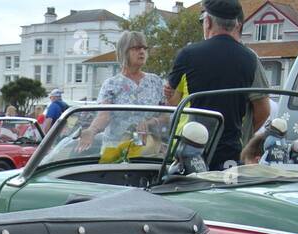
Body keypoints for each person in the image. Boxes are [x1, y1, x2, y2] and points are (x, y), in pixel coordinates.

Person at [165, 0, 270, 169]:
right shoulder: (250, 58)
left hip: (193, 149)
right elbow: (263, 110)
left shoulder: (188, 54)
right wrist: (243, 136)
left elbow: (173, 102)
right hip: (232, 151)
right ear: (236, 24)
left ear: (208, 22)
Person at [78, 30, 164, 149]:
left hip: (148, 150)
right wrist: (91, 131)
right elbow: (104, 116)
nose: (142, 51)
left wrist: (150, 123)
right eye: (136, 48)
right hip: (116, 149)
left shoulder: (155, 81)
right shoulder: (111, 84)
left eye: (144, 48)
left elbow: (167, 115)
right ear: (124, 51)